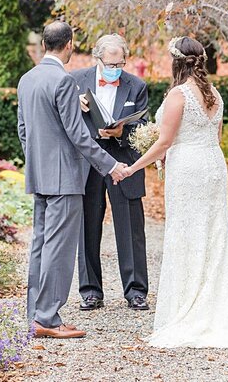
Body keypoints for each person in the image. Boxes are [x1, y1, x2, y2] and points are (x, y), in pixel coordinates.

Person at [122, 36, 228, 348]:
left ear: (176, 62)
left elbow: (165, 141)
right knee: (214, 232)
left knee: (186, 234)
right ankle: (216, 303)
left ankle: (189, 307)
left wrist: (134, 166)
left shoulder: (178, 95)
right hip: (212, 165)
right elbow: (216, 137)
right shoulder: (215, 95)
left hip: (188, 170)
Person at [16, 21, 128, 339]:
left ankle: (35, 316)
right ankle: (49, 318)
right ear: (68, 45)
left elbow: (24, 130)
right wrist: (111, 166)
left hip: (39, 175)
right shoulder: (63, 81)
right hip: (65, 177)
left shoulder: (27, 80)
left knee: (40, 245)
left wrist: (38, 162)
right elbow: (79, 136)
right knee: (60, 249)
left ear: (43, 45)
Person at [72, 34, 150, 311]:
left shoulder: (137, 85)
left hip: (123, 163)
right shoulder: (75, 81)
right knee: (87, 226)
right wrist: (75, 106)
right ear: (98, 58)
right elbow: (64, 121)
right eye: (111, 63)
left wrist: (121, 131)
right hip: (88, 162)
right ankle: (91, 291)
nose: (115, 67)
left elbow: (144, 128)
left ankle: (136, 291)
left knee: (130, 227)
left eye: (120, 62)